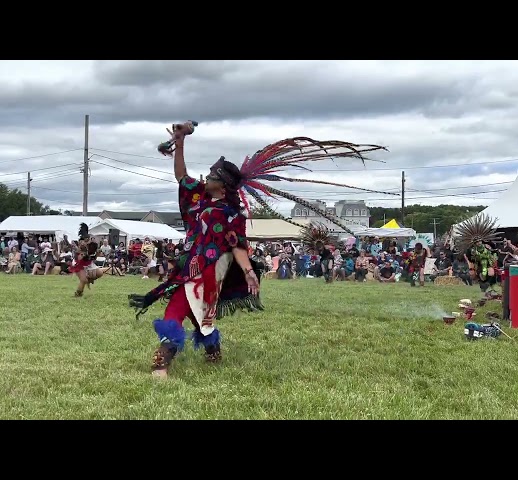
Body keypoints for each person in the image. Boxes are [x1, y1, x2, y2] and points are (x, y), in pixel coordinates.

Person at [128, 122, 388, 377]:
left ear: (224, 184)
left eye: (212, 174)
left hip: (208, 272)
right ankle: (212, 349)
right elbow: (182, 177)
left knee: (181, 308)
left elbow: (237, 245)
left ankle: (162, 361)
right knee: (199, 315)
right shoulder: (201, 198)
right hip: (188, 267)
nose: (206, 176)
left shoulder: (231, 215)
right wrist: (181, 142)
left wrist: (249, 272)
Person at [68, 224, 102, 297]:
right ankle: (78, 294)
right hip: (79, 264)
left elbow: (94, 258)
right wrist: (83, 254)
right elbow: (78, 258)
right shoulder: (79, 248)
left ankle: (89, 280)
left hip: (88, 263)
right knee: (83, 280)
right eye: (85, 240)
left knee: (99, 273)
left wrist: (96, 254)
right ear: (81, 241)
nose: (86, 241)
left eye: (88, 239)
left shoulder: (91, 246)